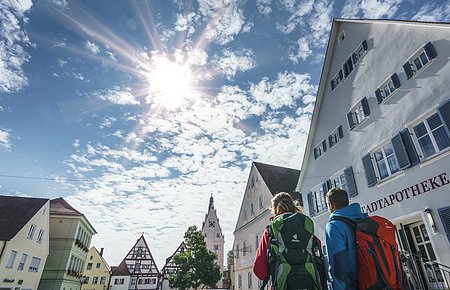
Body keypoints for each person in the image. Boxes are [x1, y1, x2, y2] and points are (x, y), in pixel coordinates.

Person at [253, 192, 322, 290]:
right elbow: (319, 256)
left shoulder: (271, 231)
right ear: (293, 205)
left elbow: (260, 271)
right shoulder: (305, 226)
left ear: (274, 209)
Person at [325, 187, 368, 290]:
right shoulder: (364, 219)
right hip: (372, 281)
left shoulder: (333, 226)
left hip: (352, 285)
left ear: (330, 205)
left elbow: (339, 266)